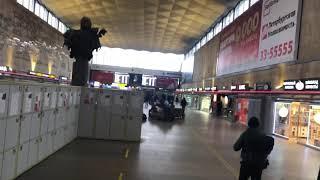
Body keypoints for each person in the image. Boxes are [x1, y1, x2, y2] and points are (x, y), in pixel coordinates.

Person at [64, 17, 107, 86]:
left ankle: (78, 82)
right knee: (81, 70)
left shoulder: (78, 33)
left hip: (82, 58)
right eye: (85, 22)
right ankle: (79, 82)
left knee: (80, 70)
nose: (86, 24)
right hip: (81, 58)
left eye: (87, 22)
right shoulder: (80, 33)